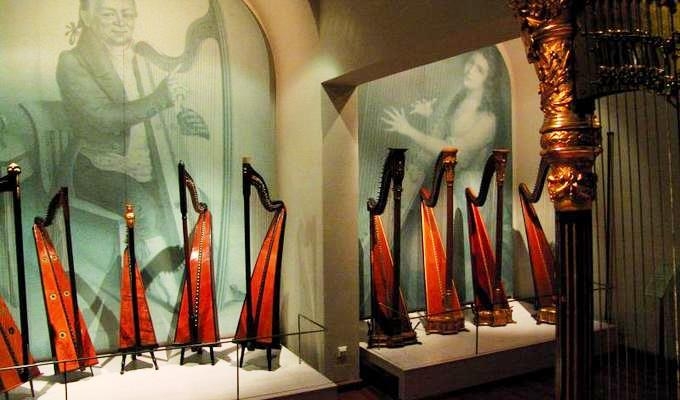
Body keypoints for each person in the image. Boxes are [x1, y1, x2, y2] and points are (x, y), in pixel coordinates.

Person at [56, 0, 191, 328]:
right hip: (97, 168)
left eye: (127, 14)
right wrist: (159, 99)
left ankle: (169, 283)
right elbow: (103, 118)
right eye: (109, 13)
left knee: (186, 201)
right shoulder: (72, 62)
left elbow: (152, 114)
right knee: (145, 209)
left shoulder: (138, 60)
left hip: (141, 165)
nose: (121, 21)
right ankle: (173, 299)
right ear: (86, 16)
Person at [379, 48, 509, 302]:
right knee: (417, 242)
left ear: (489, 79)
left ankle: (463, 297)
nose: (470, 70)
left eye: (479, 69)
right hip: (445, 180)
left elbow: (450, 149)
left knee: (458, 248)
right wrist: (430, 115)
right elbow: (443, 134)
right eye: (470, 63)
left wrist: (409, 130)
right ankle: (430, 295)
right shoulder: (457, 101)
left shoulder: (487, 119)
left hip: (468, 189)